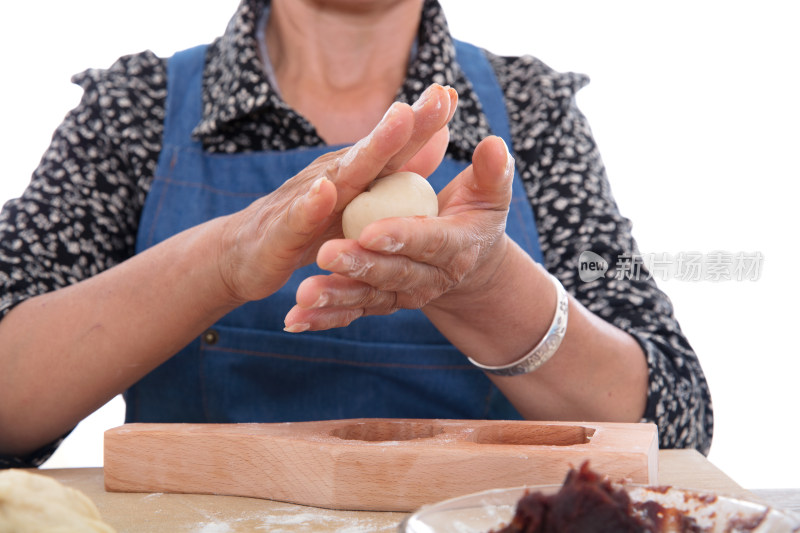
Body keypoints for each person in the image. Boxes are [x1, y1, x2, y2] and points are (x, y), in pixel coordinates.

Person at [0, 0, 712, 468]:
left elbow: (673, 422)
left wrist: (489, 288)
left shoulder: (531, 112)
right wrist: (219, 261)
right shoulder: (136, 108)